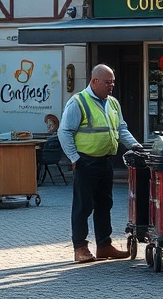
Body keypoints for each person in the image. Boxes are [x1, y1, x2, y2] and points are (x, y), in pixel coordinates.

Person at [57, 64, 144, 263]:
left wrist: (135, 145)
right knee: (83, 206)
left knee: (105, 204)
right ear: (94, 81)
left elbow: (121, 128)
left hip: (105, 161)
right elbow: (64, 131)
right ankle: (80, 248)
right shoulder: (78, 102)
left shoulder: (113, 103)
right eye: (107, 82)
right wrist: (74, 158)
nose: (111, 86)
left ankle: (104, 245)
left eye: (113, 82)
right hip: (85, 162)